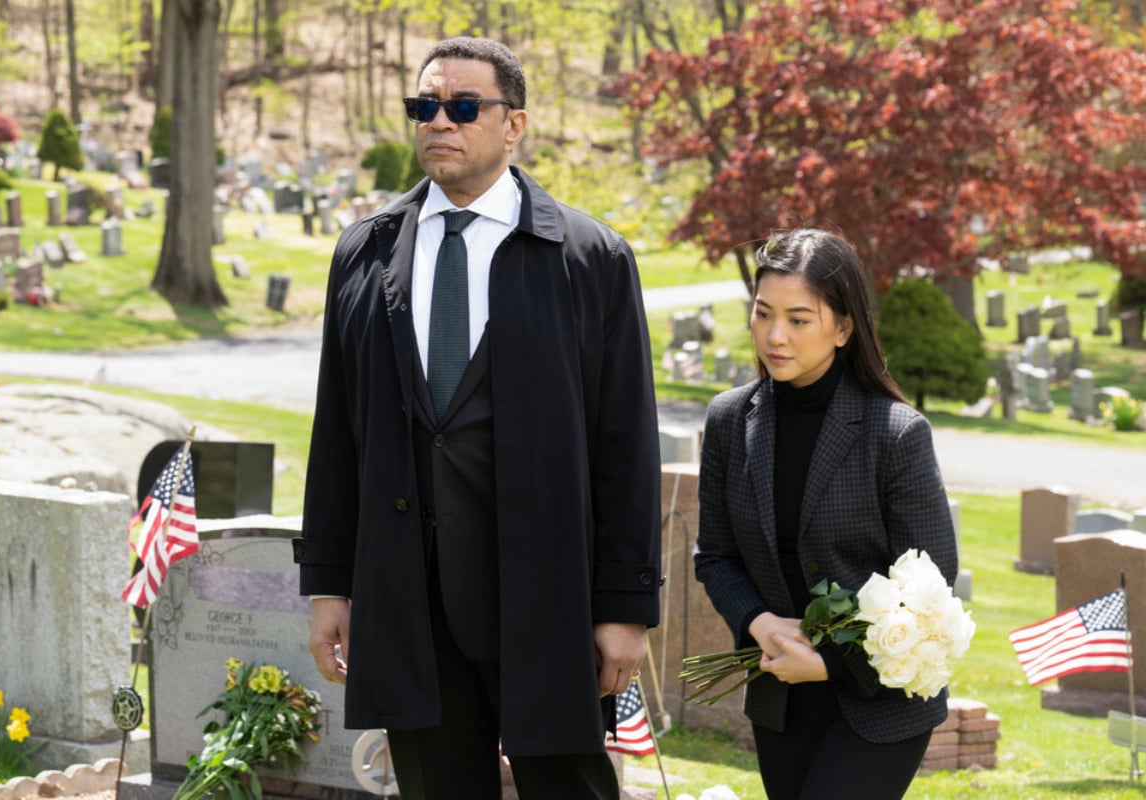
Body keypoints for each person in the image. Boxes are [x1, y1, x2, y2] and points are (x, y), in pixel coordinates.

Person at [294, 36, 662, 800]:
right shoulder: (365, 252)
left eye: (463, 107)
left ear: (513, 125)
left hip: (546, 592)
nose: (440, 121)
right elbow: (337, 436)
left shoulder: (591, 259)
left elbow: (625, 444)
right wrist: (329, 586)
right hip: (409, 594)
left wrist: (625, 607)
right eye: (423, 106)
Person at [694, 228, 959, 799]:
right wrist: (758, 624)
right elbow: (715, 556)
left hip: (880, 700)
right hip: (780, 700)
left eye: (798, 318)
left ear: (842, 327)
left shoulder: (896, 433)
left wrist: (831, 662)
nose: (774, 335)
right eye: (763, 314)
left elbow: (932, 583)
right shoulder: (727, 421)